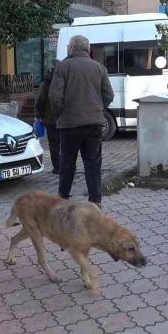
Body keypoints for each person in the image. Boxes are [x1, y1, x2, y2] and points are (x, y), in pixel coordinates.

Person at [49, 35, 114, 209]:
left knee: (67, 163)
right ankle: (95, 201)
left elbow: (55, 97)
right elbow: (109, 95)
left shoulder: (63, 67)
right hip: (94, 124)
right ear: (87, 49)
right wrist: (98, 109)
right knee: (93, 162)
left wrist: (59, 114)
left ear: (71, 49)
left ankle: (63, 198)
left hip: (69, 124)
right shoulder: (99, 68)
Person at [34, 59, 61, 174]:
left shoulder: (46, 82)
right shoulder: (66, 80)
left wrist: (38, 115)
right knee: (66, 144)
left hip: (50, 118)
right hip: (65, 117)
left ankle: (57, 167)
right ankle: (69, 166)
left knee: (54, 144)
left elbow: (41, 99)